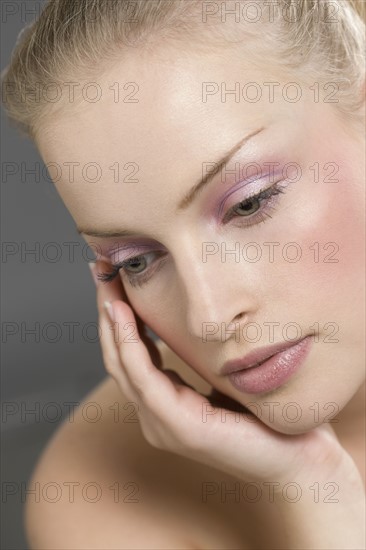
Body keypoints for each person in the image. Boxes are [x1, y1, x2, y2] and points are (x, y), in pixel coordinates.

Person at [1, 0, 365, 548]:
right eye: (136, 261)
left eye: (249, 204)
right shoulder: (103, 499)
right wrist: (314, 486)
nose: (210, 318)